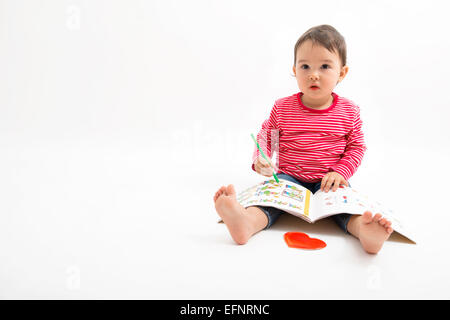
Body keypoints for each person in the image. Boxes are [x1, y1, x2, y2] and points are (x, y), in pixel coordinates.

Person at [213, 25, 393, 254]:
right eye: (305, 66)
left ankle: (364, 230)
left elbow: (356, 147)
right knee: (271, 200)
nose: (313, 74)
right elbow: (268, 137)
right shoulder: (283, 108)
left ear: (342, 73)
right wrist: (263, 157)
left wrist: (340, 172)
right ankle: (246, 221)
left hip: (330, 181)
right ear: (294, 70)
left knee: (344, 205)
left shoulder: (349, 111)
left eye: (325, 66)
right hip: (289, 178)